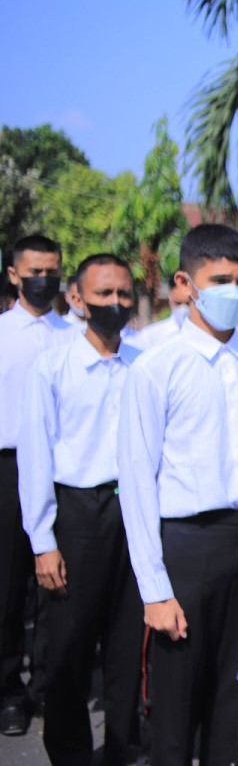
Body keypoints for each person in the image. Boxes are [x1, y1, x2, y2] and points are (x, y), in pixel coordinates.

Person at [116, 223, 238, 765]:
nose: (235, 292)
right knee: (176, 702)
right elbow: (135, 483)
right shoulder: (155, 368)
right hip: (188, 547)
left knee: (237, 695)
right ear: (185, 283)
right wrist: (154, 589)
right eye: (220, 279)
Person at [19, 253, 143, 765]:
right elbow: (35, 455)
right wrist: (43, 540)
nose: (115, 304)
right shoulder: (54, 366)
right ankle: (69, 752)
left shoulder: (143, 364)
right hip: (78, 513)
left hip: (134, 511)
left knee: (126, 638)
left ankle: (121, 746)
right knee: (70, 642)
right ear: (77, 299)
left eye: (123, 295)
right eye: (103, 295)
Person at [0, 234, 71, 736]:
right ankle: (9, 690)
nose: (44, 279)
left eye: (53, 270)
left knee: (58, 587)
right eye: (35, 271)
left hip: (63, 474)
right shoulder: (2, 333)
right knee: (7, 587)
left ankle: (50, 685)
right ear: (14, 275)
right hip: (8, 468)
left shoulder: (74, 337)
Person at [128, 279, 190, 351]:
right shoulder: (151, 336)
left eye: (188, 304)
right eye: (178, 303)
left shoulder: (203, 333)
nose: (183, 308)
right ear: (170, 298)